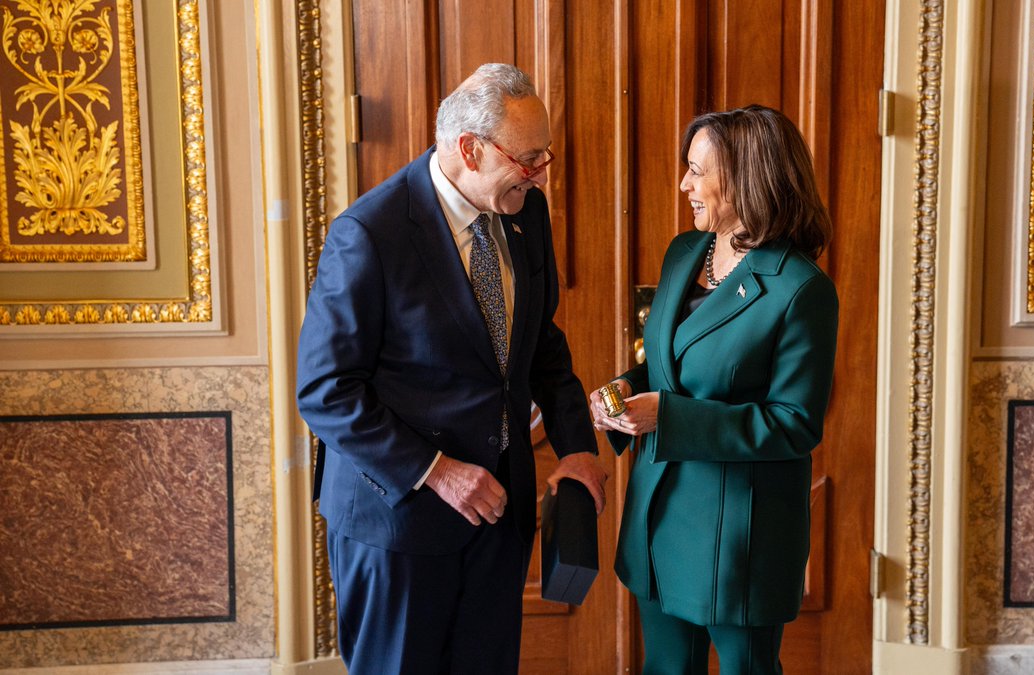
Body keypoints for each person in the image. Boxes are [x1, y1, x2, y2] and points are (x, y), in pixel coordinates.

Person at [296, 63, 607, 675]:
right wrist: (436, 472)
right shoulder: (369, 232)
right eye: (528, 159)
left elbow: (541, 341)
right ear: (470, 148)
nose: (543, 173)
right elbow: (326, 390)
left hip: (498, 516)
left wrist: (575, 447)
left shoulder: (526, 213)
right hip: (399, 522)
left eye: (545, 155)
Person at [590, 105, 838, 675]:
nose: (685, 184)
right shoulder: (684, 252)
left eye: (698, 171)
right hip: (658, 513)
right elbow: (667, 366)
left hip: (739, 533)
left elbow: (794, 422)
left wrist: (669, 418)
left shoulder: (802, 290)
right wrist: (625, 393)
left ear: (748, 179)